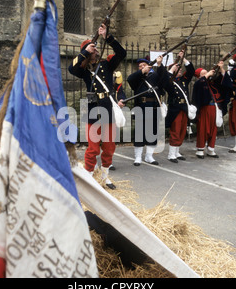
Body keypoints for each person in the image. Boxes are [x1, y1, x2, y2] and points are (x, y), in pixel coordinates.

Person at [68, 24, 126, 189]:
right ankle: (88, 176)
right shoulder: (83, 70)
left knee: (109, 146)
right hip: (92, 109)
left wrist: (107, 37)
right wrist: (85, 51)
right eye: (92, 49)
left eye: (95, 49)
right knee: (93, 148)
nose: (95, 51)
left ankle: (105, 176)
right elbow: (71, 68)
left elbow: (122, 53)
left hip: (107, 107)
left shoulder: (106, 65)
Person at [127, 55, 167, 166]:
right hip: (141, 107)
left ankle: (149, 156)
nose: (141, 67)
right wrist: (142, 72)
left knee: (152, 133)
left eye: (144, 65)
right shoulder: (137, 78)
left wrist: (159, 65)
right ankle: (138, 157)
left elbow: (164, 80)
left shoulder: (154, 76)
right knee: (140, 133)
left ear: (149, 66)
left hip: (154, 107)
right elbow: (129, 79)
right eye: (140, 66)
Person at [164, 50, 195, 163]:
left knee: (182, 130)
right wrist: (171, 70)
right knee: (175, 131)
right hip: (175, 108)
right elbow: (165, 81)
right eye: (178, 68)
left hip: (184, 108)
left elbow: (191, 71)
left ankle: (177, 152)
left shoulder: (183, 80)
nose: (181, 69)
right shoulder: (169, 80)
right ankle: (171, 154)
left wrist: (183, 59)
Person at [191, 61, 226, 159]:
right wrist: (206, 75)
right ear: (199, 76)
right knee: (203, 129)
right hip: (204, 108)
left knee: (213, 129)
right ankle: (200, 149)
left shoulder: (212, 83)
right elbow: (199, 83)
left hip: (214, 108)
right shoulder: (199, 83)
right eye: (204, 73)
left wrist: (220, 68)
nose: (208, 74)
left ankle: (211, 148)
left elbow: (223, 80)